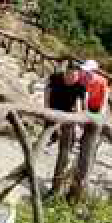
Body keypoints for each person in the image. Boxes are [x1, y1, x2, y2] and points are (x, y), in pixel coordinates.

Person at [46, 66, 87, 194]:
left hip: (68, 120)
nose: (71, 78)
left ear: (78, 76)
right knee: (46, 140)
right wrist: (45, 109)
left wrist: (78, 118)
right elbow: (47, 92)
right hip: (52, 114)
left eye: (75, 76)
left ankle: (56, 185)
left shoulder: (80, 87)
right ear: (65, 73)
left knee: (64, 152)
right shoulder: (56, 78)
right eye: (70, 75)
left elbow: (81, 105)